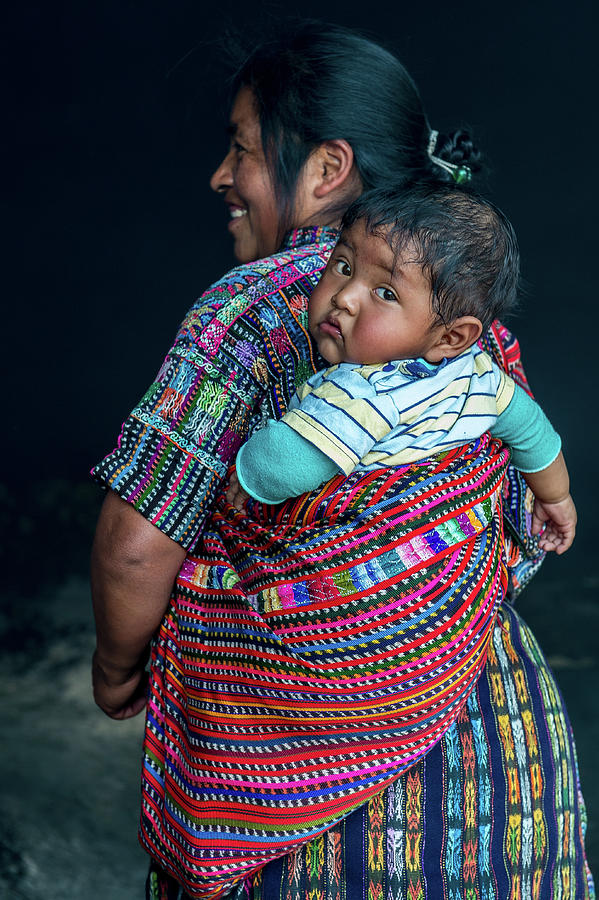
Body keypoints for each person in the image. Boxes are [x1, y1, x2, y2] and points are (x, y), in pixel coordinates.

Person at [90, 21, 593, 900]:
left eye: (241, 149)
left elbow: (139, 544)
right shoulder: (470, 340)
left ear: (325, 169)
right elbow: (517, 511)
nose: (221, 176)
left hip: (296, 784)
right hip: (500, 771)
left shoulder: (246, 313)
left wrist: (116, 670)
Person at [227, 185, 576, 556]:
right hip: (447, 593)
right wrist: (557, 497)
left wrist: (247, 475)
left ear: (452, 337)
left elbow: (286, 467)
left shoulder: (365, 391)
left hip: (363, 586)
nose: (343, 297)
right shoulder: (479, 375)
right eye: (343, 266)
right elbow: (532, 429)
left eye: (385, 293)